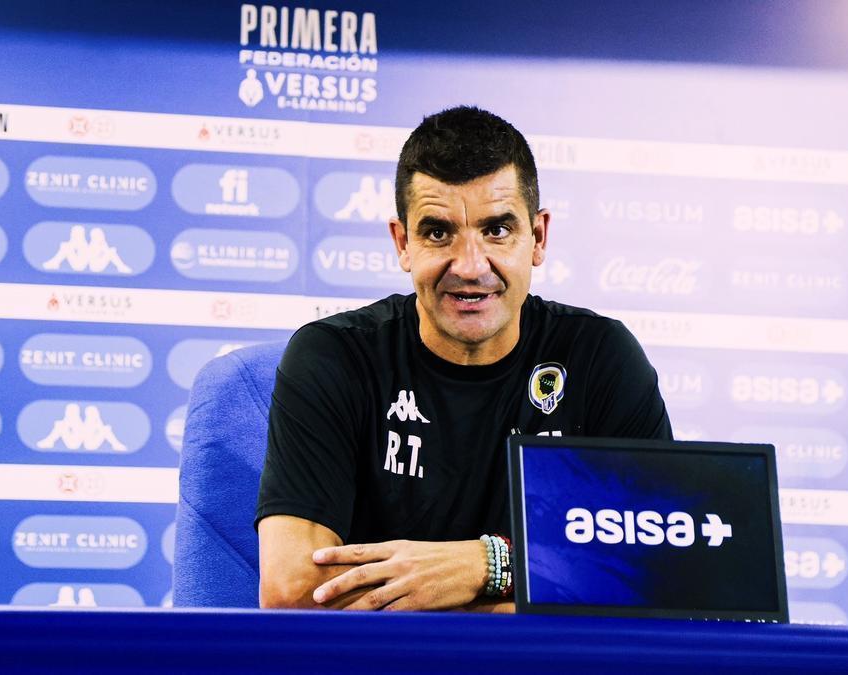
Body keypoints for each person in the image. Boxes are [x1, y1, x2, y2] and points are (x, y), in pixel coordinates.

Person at [256, 106, 672, 613]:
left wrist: (484, 564)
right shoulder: (333, 357)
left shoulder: (601, 358)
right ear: (401, 242)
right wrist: (537, 591)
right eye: (438, 233)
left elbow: (656, 572)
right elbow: (293, 593)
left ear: (537, 238)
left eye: (497, 230)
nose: (471, 267)